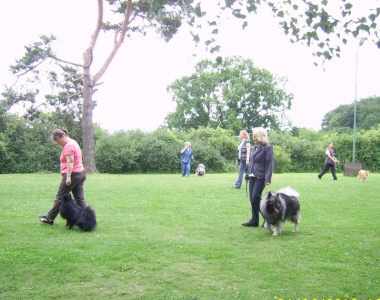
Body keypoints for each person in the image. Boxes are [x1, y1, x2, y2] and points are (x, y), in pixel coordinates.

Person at [38, 129, 88, 225]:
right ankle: (86, 219)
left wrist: (68, 177)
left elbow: (70, 162)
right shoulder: (73, 142)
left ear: (62, 137)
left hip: (72, 175)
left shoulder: (68, 146)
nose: (58, 143)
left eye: (58, 141)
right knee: (79, 198)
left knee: (60, 197)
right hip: (80, 173)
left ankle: (49, 218)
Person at [242, 127, 274, 227]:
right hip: (252, 175)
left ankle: (268, 218)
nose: (254, 138)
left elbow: (270, 163)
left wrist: (268, 178)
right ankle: (254, 220)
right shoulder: (255, 147)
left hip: (261, 176)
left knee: (256, 197)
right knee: (253, 199)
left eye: (256, 136)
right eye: (253, 136)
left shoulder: (267, 148)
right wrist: (247, 175)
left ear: (261, 136)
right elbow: (252, 162)